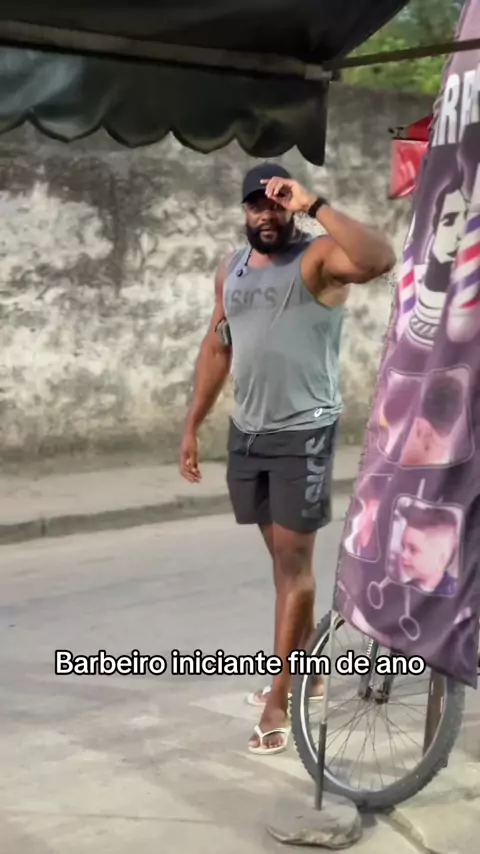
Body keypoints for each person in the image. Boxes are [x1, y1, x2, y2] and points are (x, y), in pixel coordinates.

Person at [179, 162, 396, 755]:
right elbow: (217, 346)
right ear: (244, 210)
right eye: (258, 204)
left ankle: (281, 699)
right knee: (282, 564)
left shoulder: (318, 257)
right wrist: (193, 424)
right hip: (248, 433)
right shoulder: (231, 268)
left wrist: (314, 204)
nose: (267, 214)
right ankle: (312, 674)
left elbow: (379, 258)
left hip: (304, 432)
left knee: (294, 567)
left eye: (277, 203)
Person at [395, 504, 459, 596]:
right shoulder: (401, 591)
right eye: (403, 547)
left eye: (413, 550)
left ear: (441, 560)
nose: (403, 555)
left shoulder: (455, 596)